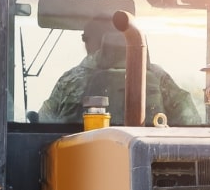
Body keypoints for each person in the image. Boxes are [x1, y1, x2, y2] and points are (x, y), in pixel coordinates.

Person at [38, 17, 200, 125]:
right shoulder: (159, 78)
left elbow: (44, 122)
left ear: (101, 42)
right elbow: (190, 121)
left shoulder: (72, 80)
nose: (85, 44)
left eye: (85, 38)